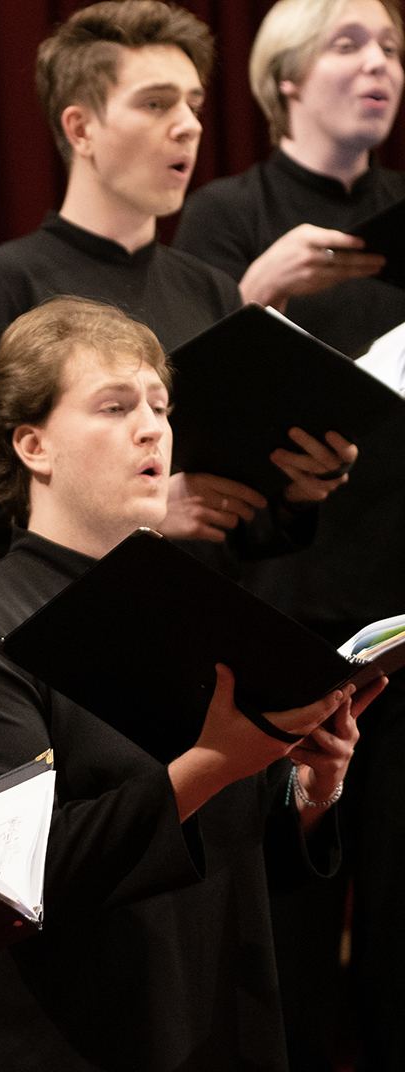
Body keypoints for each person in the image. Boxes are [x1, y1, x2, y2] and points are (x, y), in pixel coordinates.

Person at [0, 297, 383, 1071]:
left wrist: (311, 790)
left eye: (160, 405)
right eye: (115, 405)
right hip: (70, 1042)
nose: (153, 426)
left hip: (224, 1022)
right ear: (34, 445)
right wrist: (216, 763)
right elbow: (25, 879)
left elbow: (249, 853)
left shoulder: (199, 607)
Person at [0, 0, 355, 559]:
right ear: (81, 128)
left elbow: (225, 515)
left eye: (193, 104)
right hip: (78, 623)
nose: (189, 126)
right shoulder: (1, 283)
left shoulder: (212, 289)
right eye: (155, 103)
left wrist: (293, 496)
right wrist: (131, 511)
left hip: (203, 618)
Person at [172, 3, 405, 1067]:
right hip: (282, 599)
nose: (380, 64)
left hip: (400, 600)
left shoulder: (400, 210)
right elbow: (180, 395)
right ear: (281, 79)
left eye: (394, 48)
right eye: (350, 43)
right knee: (292, 898)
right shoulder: (225, 219)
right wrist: (253, 292)